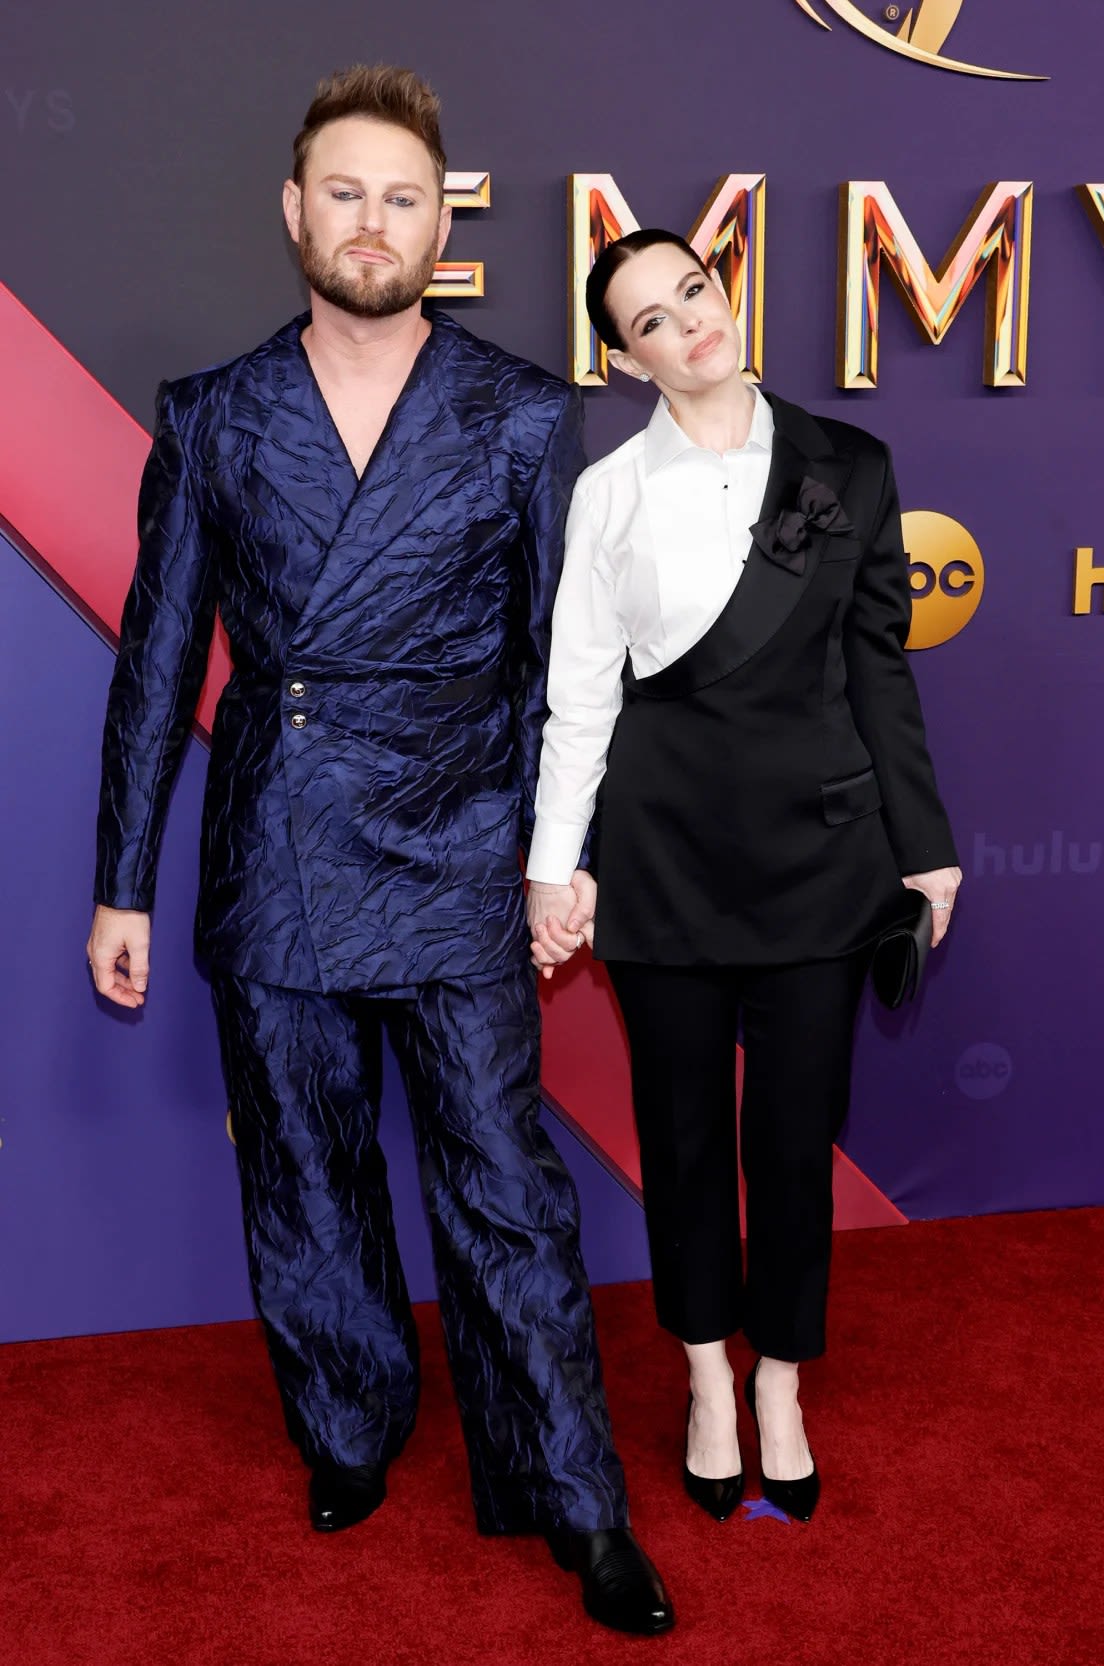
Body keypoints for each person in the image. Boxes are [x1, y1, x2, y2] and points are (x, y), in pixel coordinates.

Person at [86, 68, 673, 1636]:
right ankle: (345, 1428)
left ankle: (573, 1495)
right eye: (343, 192)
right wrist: (120, 881)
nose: (371, 221)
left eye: (401, 196)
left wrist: (564, 862)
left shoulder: (523, 411)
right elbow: (156, 661)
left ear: (441, 223)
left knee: (504, 1191)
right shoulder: (213, 415)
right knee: (304, 1176)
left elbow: (565, 669)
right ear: (296, 213)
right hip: (272, 847)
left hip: (464, 845)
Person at [527, 228, 961, 1525]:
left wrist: (924, 844)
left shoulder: (850, 465)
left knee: (789, 1137)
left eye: (693, 295)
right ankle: (705, 1374)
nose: (686, 326)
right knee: (680, 1139)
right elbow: (578, 699)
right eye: (650, 320)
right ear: (624, 358)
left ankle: (780, 1377)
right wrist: (556, 868)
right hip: (660, 864)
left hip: (820, 863)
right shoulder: (608, 490)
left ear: (727, 296)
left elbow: (882, 669)